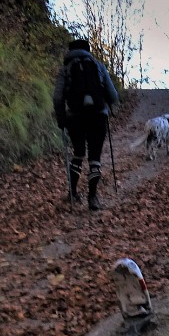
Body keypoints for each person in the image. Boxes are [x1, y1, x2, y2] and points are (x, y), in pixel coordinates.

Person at [52, 38, 120, 211]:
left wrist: (62, 119)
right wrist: (109, 107)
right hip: (97, 117)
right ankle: (93, 197)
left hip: (75, 117)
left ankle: (73, 193)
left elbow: (58, 97)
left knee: (78, 153)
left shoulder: (66, 69)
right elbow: (113, 95)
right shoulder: (98, 66)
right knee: (95, 158)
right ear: (88, 50)